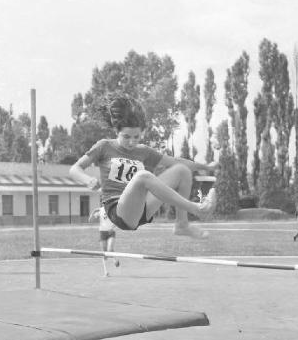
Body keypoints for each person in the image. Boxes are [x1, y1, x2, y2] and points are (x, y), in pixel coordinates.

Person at [70, 93, 217, 239]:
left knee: (182, 171)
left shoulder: (143, 151)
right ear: (116, 131)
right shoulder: (104, 146)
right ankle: (197, 209)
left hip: (142, 208)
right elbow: (74, 169)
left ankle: (182, 225)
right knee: (143, 177)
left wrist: (205, 166)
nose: (132, 142)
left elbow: (176, 161)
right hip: (118, 211)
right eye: (126, 137)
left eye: (136, 137)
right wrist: (87, 180)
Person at [89, 205, 121, 277]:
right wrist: (93, 214)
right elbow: (91, 219)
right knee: (104, 253)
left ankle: (115, 260)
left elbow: (117, 221)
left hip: (111, 232)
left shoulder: (113, 210)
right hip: (102, 233)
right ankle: (106, 272)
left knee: (110, 248)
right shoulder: (100, 210)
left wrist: (112, 227)